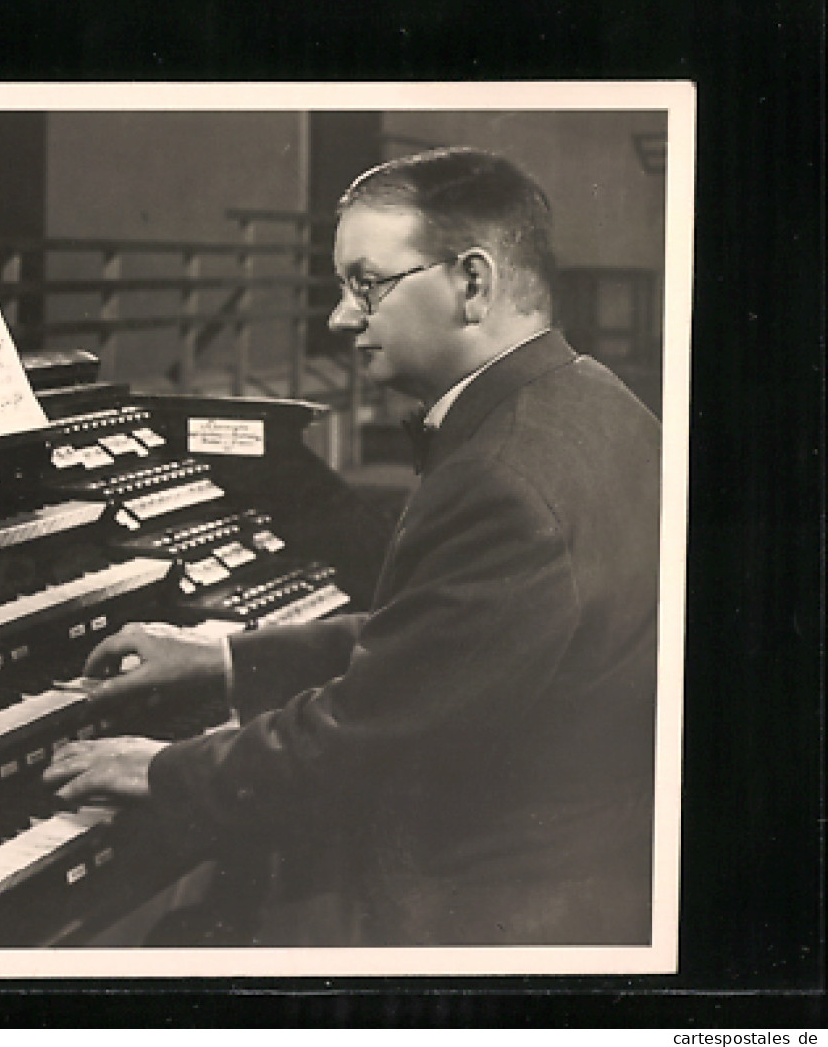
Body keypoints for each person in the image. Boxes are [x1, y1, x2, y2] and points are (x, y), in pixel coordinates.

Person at [42, 147, 662, 946]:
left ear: (472, 282)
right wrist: (226, 659)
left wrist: (157, 767)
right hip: (588, 843)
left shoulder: (500, 476)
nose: (339, 318)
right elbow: (448, 638)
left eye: (364, 284)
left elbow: (364, 735)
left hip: (493, 905)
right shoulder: (593, 397)